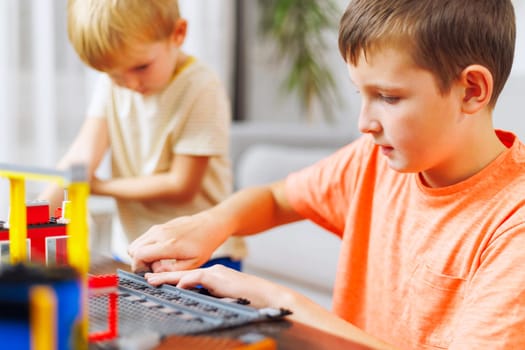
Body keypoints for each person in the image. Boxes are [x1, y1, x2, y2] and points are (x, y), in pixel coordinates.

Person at [128, 0, 525, 349]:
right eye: (360, 93)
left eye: (388, 97)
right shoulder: (373, 160)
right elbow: (277, 198)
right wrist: (211, 223)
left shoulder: (513, 222)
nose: (364, 122)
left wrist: (282, 306)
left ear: (472, 90)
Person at [39, 0, 246, 269]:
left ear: (178, 34)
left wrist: (98, 187)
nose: (131, 84)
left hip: (203, 254)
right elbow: (81, 157)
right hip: (133, 250)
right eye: (114, 75)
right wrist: (29, 218)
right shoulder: (113, 85)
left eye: (141, 68)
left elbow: (181, 185)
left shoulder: (201, 86)